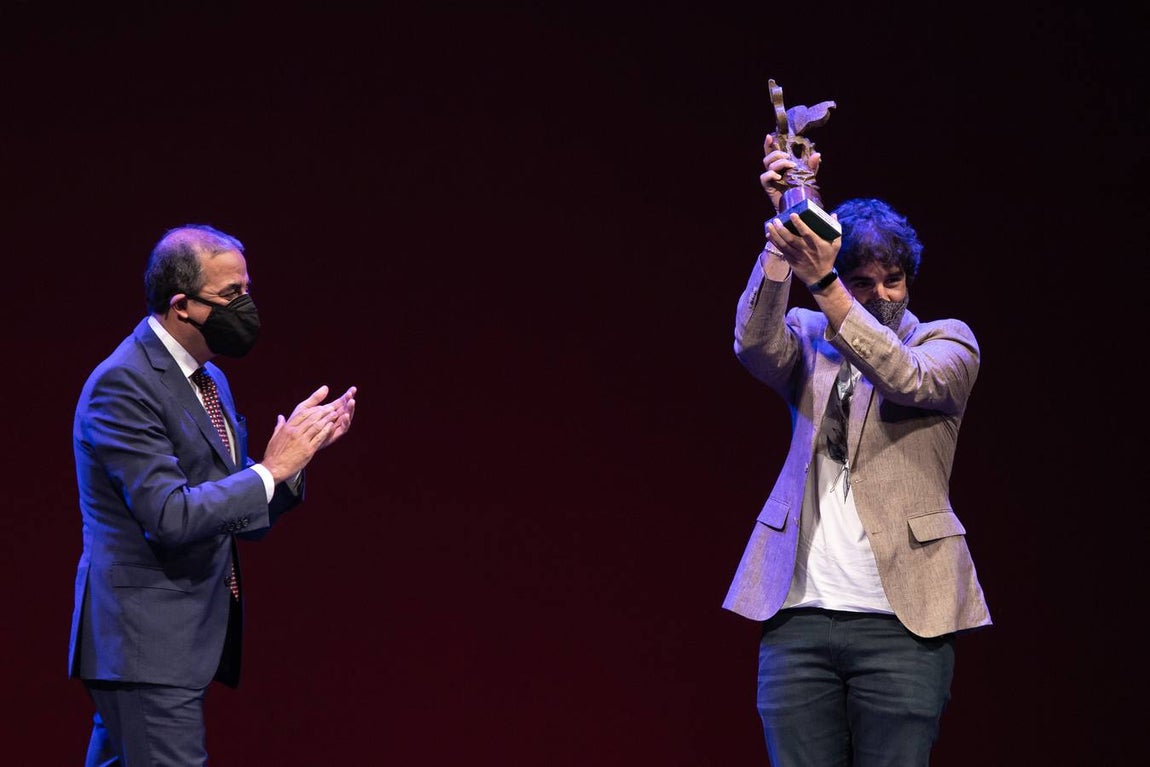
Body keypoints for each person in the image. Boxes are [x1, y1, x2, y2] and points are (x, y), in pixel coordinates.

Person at [722, 134, 992, 766]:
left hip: (903, 624)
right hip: (800, 616)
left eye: (893, 281)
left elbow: (900, 375)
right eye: (863, 281)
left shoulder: (946, 342)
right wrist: (786, 234)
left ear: (909, 280)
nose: (881, 296)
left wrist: (828, 282)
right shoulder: (812, 336)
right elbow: (754, 344)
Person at [68, 224, 357, 766]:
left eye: (247, 291)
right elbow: (171, 515)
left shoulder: (209, 380)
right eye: (230, 296)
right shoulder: (124, 384)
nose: (245, 307)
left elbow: (230, 501)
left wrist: (291, 466)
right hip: (145, 645)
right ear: (181, 305)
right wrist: (270, 470)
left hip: (178, 639)